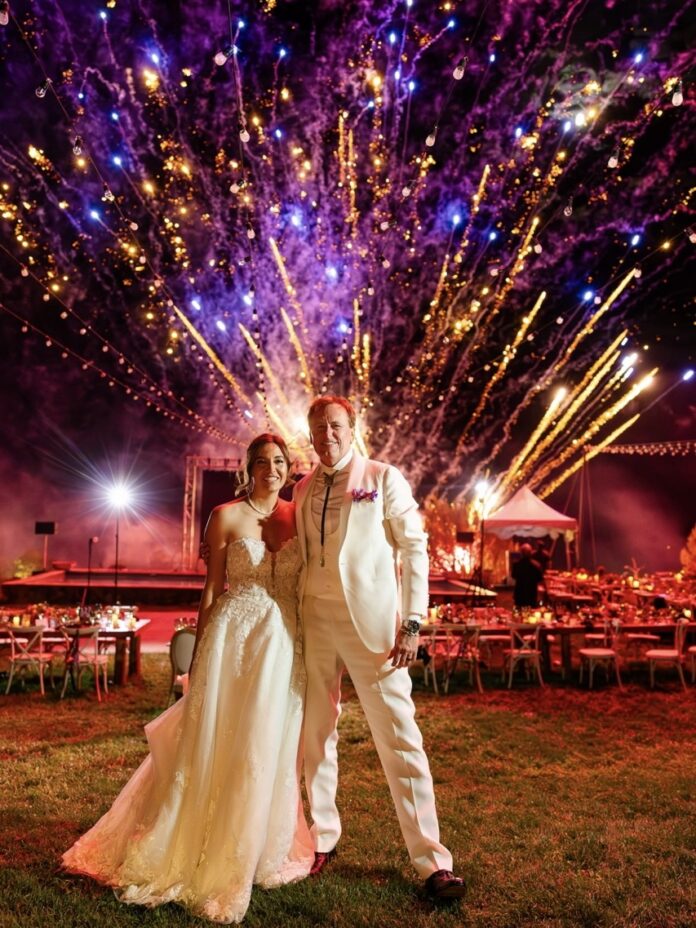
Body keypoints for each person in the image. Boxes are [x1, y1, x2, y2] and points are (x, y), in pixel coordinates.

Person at [62, 434, 313, 923]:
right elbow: (211, 589)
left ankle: (257, 843)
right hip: (232, 637)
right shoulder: (225, 515)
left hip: (283, 643)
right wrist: (197, 656)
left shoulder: (298, 516)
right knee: (217, 738)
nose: (272, 469)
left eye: (280, 462)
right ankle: (195, 837)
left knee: (266, 741)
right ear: (249, 468)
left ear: (288, 467)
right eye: (262, 462)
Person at [295, 395, 466, 900]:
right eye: (318, 427)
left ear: (352, 427)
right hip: (313, 621)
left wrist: (412, 621)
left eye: (335, 425)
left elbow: (415, 548)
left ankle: (433, 861)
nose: (327, 434)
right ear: (309, 434)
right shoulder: (301, 488)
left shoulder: (383, 477)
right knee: (316, 735)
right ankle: (322, 837)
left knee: (400, 736)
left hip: (373, 628)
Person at [511, 542, 544, 609]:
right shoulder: (536, 565)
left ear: (521, 553)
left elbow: (513, 576)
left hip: (519, 593)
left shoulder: (516, 565)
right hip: (531, 593)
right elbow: (539, 578)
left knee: (519, 612)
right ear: (530, 553)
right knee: (531, 614)